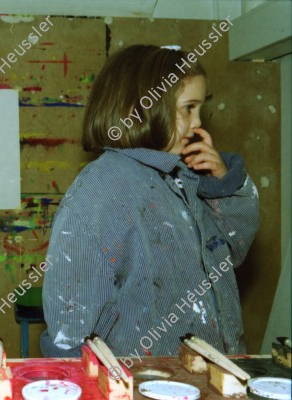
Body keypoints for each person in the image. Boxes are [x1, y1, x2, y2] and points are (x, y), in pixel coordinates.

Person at [40, 45, 259, 358]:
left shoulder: (184, 175)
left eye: (200, 109)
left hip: (208, 374)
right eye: (188, 108)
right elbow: (69, 327)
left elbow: (233, 248)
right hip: (142, 383)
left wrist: (223, 184)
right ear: (137, 110)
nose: (198, 124)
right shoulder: (100, 189)